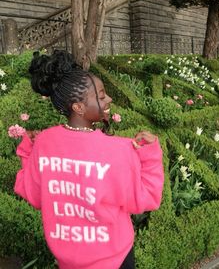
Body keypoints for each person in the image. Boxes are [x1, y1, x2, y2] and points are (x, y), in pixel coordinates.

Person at [14, 50, 164, 269]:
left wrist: (28, 150)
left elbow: (33, 194)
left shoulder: (44, 143)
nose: (109, 98)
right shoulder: (118, 150)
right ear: (78, 107)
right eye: (101, 96)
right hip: (116, 260)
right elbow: (147, 198)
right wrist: (150, 155)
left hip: (66, 260)